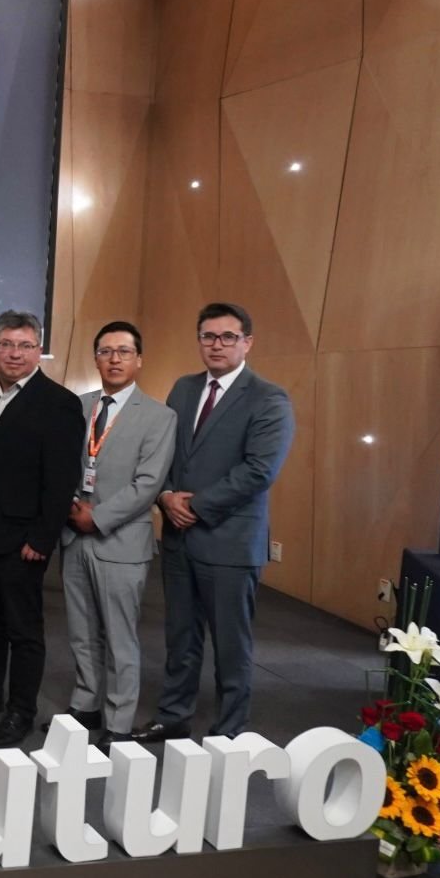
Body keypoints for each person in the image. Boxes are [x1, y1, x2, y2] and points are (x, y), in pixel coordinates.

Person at [132, 302, 294, 742]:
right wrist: (166, 496)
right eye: (208, 336)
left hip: (230, 541)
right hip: (179, 538)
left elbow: (259, 470)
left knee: (230, 644)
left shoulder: (269, 398)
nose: (217, 345)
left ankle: (229, 729)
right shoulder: (184, 389)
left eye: (228, 337)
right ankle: (173, 715)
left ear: (247, 343)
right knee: (180, 637)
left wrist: (197, 505)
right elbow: (163, 452)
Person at [0, 310, 84, 749]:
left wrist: (42, 538)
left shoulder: (59, 404)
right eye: (6, 344)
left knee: (23, 629)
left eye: (25, 346)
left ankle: (21, 710)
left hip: (22, 541)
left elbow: (61, 480)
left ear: (39, 351)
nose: (15, 354)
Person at [57, 322, 176, 749]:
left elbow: (149, 483)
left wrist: (99, 516)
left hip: (120, 541)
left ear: (139, 360)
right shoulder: (78, 406)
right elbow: (61, 464)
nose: (114, 359)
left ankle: (120, 720)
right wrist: (73, 507)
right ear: (96, 358)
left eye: (124, 351)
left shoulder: (160, 416)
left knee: (120, 637)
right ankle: (85, 703)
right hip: (74, 535)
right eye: (106, 351)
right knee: (81, 630)